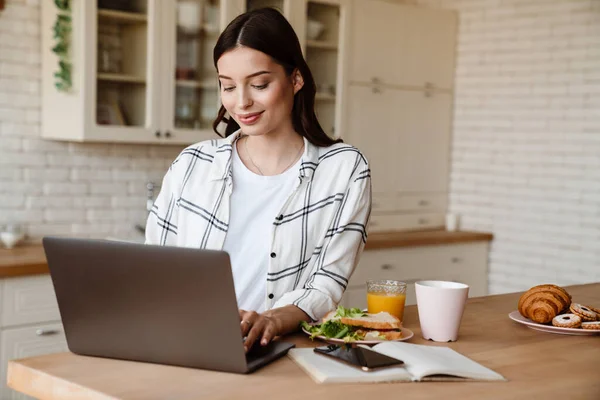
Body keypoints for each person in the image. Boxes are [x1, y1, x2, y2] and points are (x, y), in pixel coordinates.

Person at [145, 8, 371, 352]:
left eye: (260, 84)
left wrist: (272, 319)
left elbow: (326, 283)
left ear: (296, 79)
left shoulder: (344, 170)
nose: (242, 102)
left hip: (278, 352)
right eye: (228, 86)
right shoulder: (192, 164)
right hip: (185, 344)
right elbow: (155, 269)